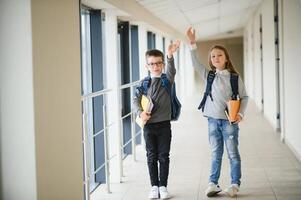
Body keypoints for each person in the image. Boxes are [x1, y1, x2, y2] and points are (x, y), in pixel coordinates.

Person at [186, 27, 248, 197]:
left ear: (226, 58)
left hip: (230, 122)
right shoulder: (210, 76)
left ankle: (235, 184)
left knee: (233, 153)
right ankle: (213, 183)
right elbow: (195, 63)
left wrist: (240, 114)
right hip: (212, 120)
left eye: (219, 55)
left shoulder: (234, 78)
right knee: (215, 153)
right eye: (213, 56)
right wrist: (192, 43)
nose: (216, 58)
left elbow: (245, 97)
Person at [133, 41, 180, 199]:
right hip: (149, 126)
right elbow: (135, 100)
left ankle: (163, 186)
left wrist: (170, 55)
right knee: (151, 156)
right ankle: (154, 186)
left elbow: (172, 70)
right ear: (147, 66)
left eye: (159, 63)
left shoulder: (167, 80)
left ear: (163, 64)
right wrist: (140, 113)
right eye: (152, 64)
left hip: (164, 125)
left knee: (164, 156)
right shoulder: (144, 83)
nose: (155, 66)